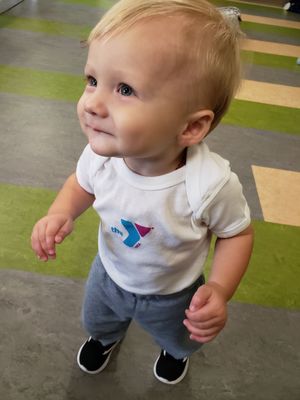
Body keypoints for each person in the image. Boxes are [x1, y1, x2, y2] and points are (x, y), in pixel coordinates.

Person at [31, 0, 254, 385]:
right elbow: (81, 184)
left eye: (125, 89)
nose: (93, 103)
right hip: (109, 271)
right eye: (92, 80)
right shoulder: (101, 158)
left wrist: (219, 288)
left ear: (190, 127)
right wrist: (61, 211)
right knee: (98, 317)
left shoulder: (209, 184)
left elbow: (236, 233)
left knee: (180, 333)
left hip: (174, 291)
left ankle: (174, 350)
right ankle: (104, 338)